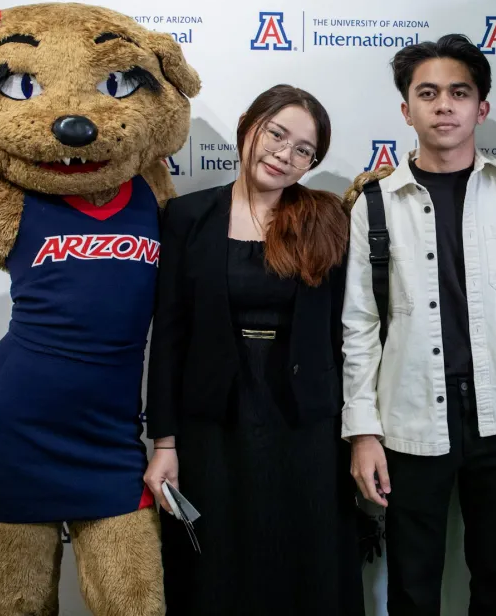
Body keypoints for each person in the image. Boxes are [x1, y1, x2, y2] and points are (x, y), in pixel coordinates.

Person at [342, 34, 496, 615]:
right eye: (429, 93)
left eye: (459, 93)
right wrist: (364, 430)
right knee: (413, 584)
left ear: (481, 108)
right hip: (411, 417)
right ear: (406, 109)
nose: (445, 105)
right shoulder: (373, 204)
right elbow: (360, 324)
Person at [144, 84, 363, 615]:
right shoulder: (186, 217)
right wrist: (165, 442)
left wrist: (361, 430)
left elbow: (352, 331)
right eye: (277, 134)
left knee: (306, 559)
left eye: (303, 150)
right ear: (249, 126)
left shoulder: (327, 218)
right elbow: (168, 337)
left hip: (305, 419)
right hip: (212, 417)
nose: (284, 155)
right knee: (217, 562)